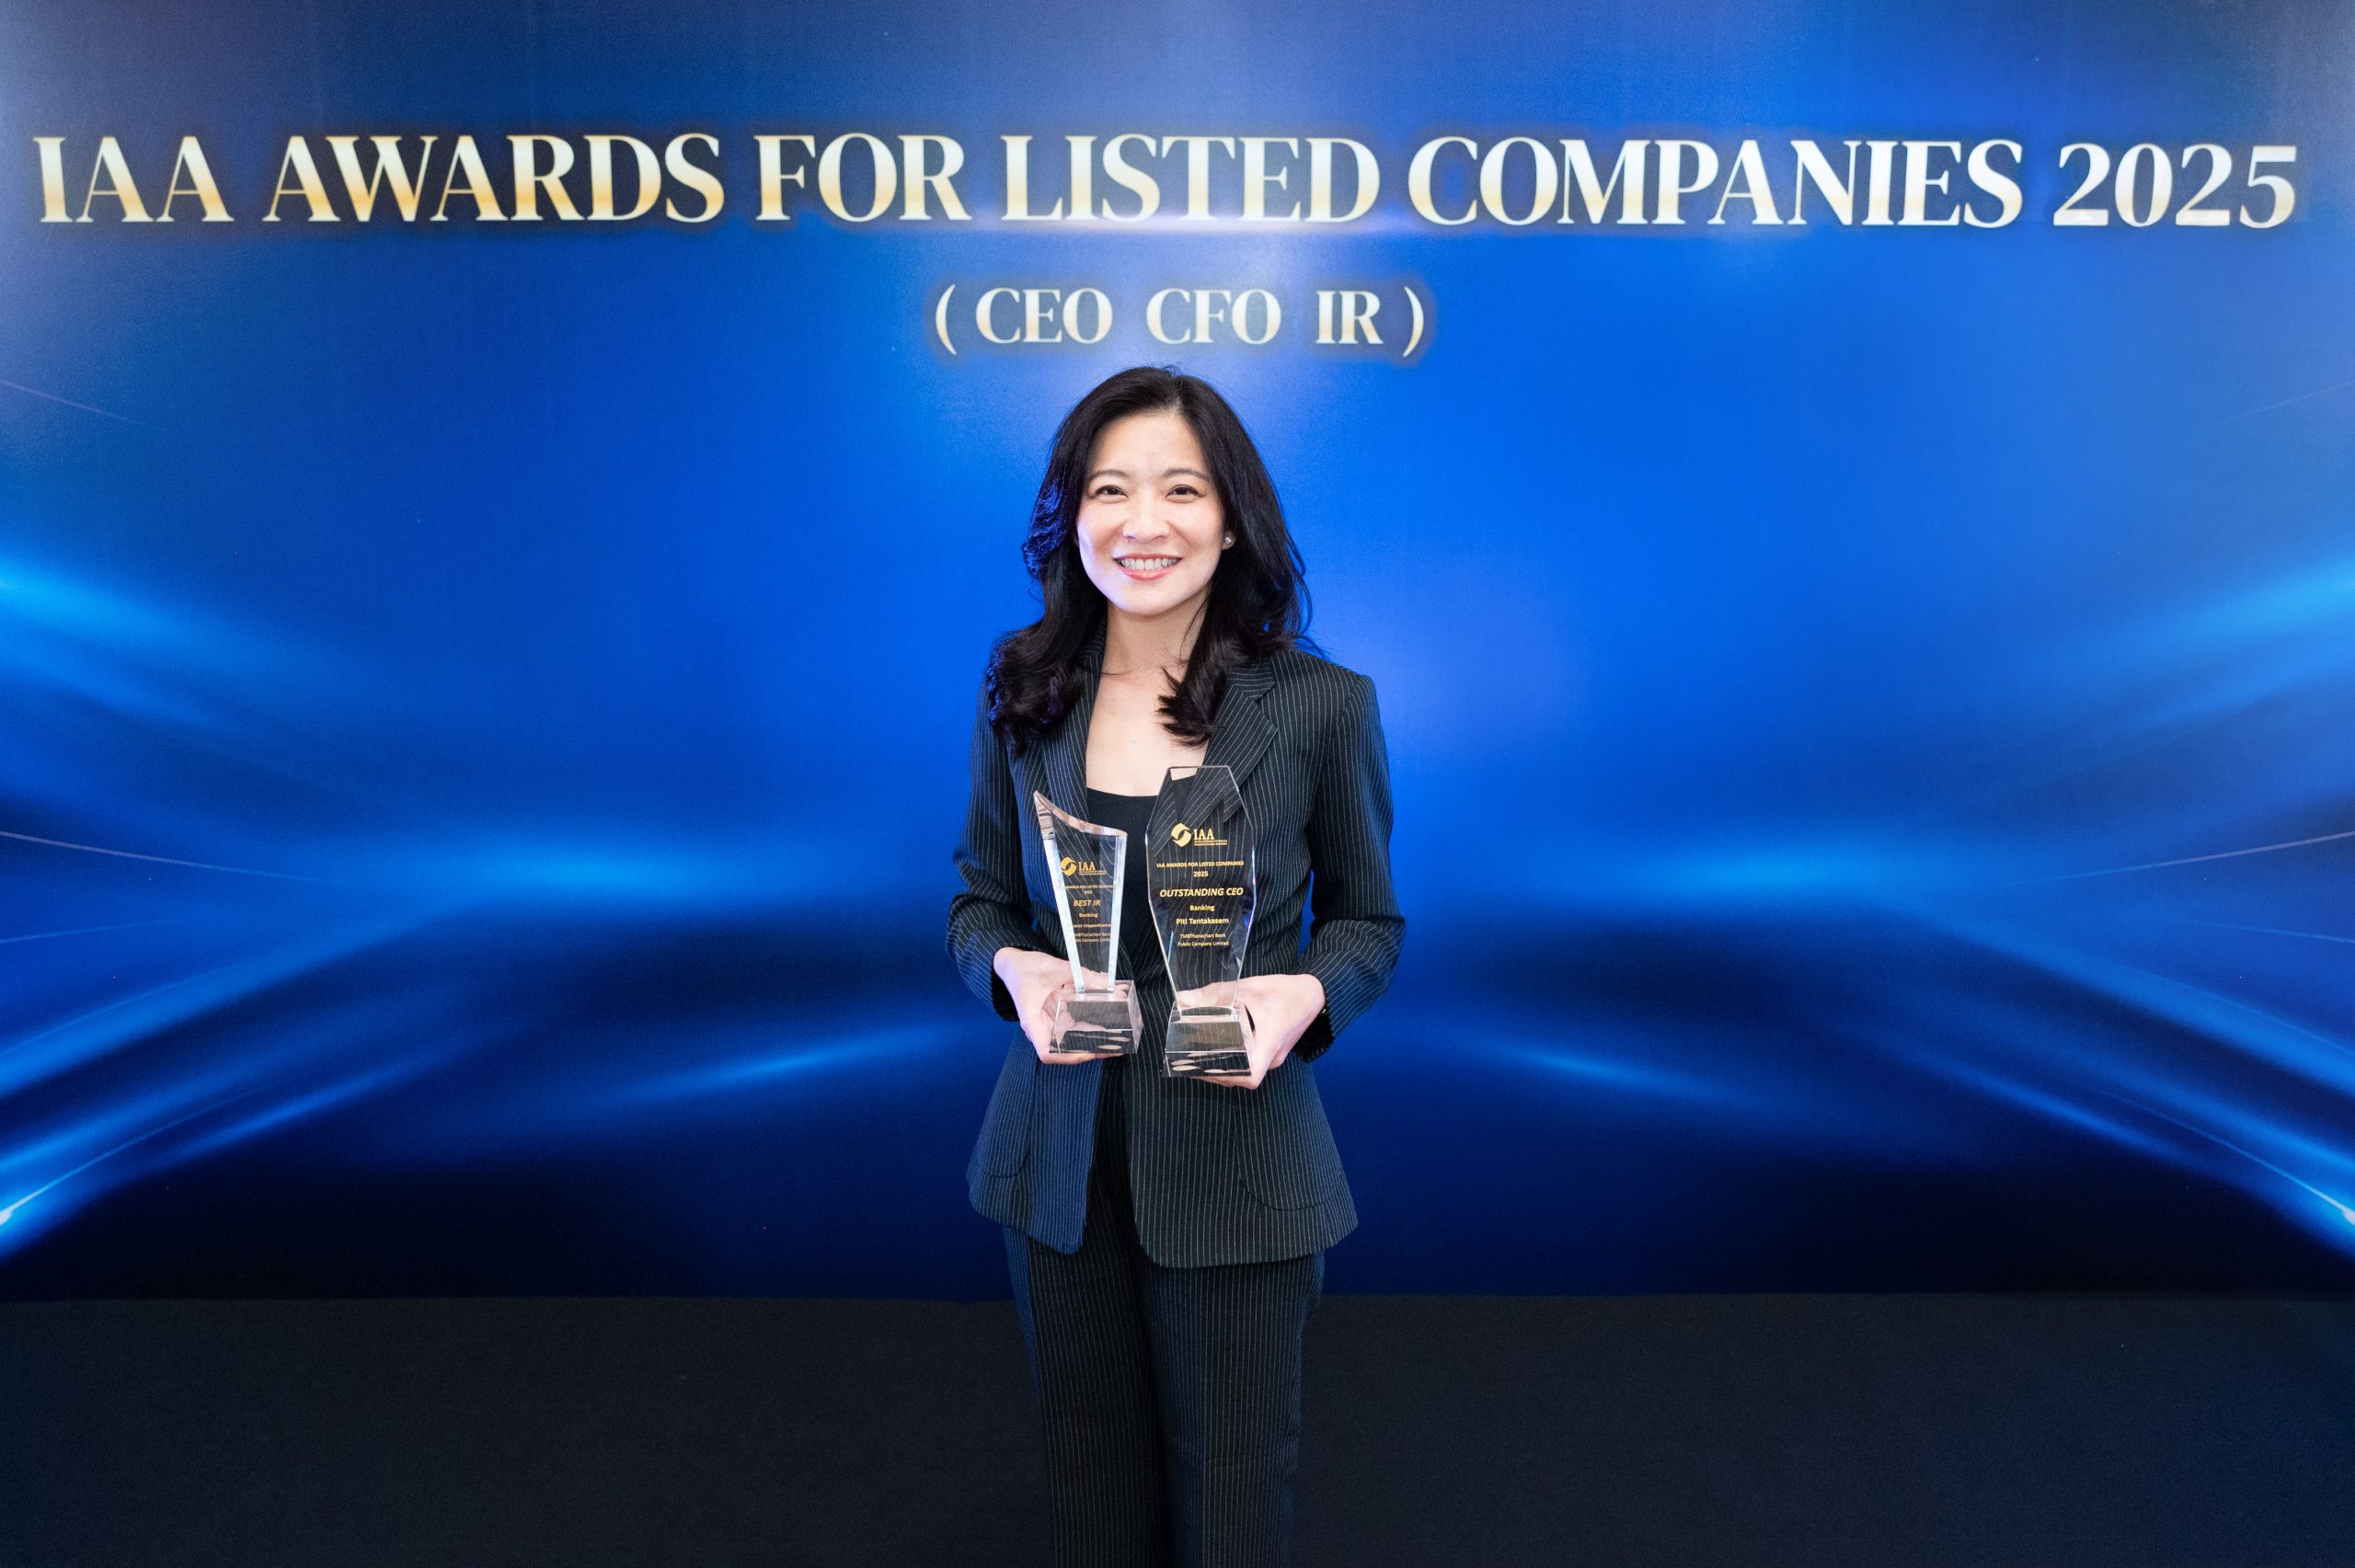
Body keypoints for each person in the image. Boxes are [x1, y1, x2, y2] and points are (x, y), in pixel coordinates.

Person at [946, 364, 1405, 1567]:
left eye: (1181, 489)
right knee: (1090, 1481)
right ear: (1072, 515)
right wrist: (1016, 974)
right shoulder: (1024, 690)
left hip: (1237, 1161)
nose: (1141, 522)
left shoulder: (1323, 707)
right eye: (1110, 489)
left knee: (1233, 1496)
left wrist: (1303, 995)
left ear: (1234, 516)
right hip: (1055, 1161)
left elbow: (1370, 925)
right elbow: (979, 901)